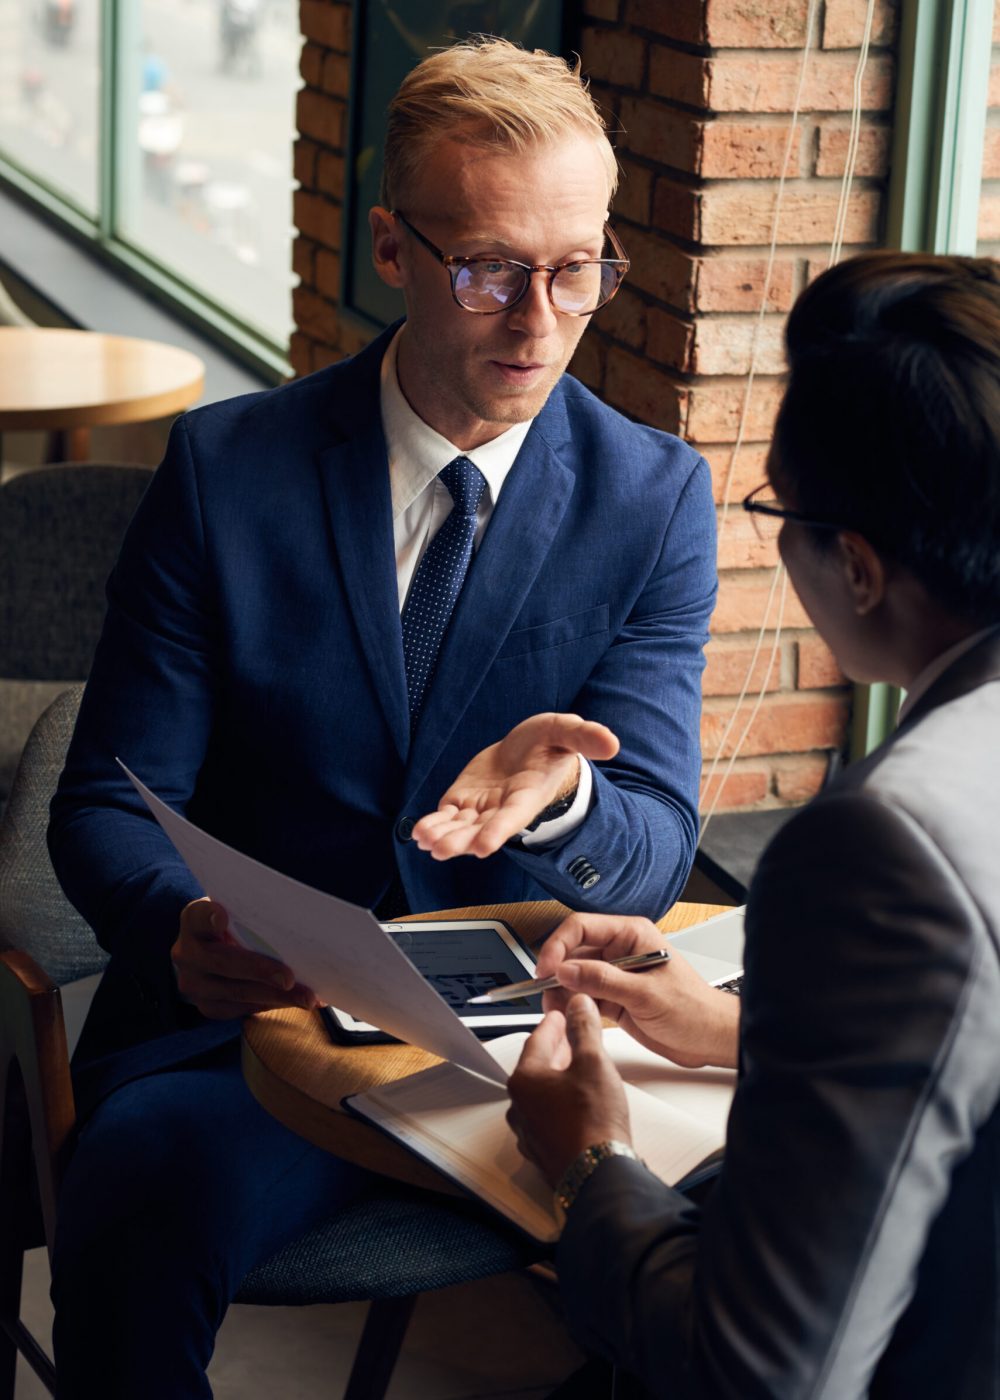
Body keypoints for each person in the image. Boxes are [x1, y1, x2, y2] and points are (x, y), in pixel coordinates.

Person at [46, 38, 717, 1398]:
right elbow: (110, 799)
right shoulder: (225, 473)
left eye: (577, 268)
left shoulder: (655, 499)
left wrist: (575, 803)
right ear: (393, 248)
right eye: (490, 270)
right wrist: (182, 931)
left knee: (739, 1278)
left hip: (514, 1051)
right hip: (250, 1040)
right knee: (136, 1197)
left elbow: (651, 846)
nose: (538, 324)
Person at [508, 251, 1000, 1399]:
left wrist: (591, 1161)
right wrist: (754, 1031)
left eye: (776, 507)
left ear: (861, 568)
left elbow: (762, 1370)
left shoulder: (887, 844)